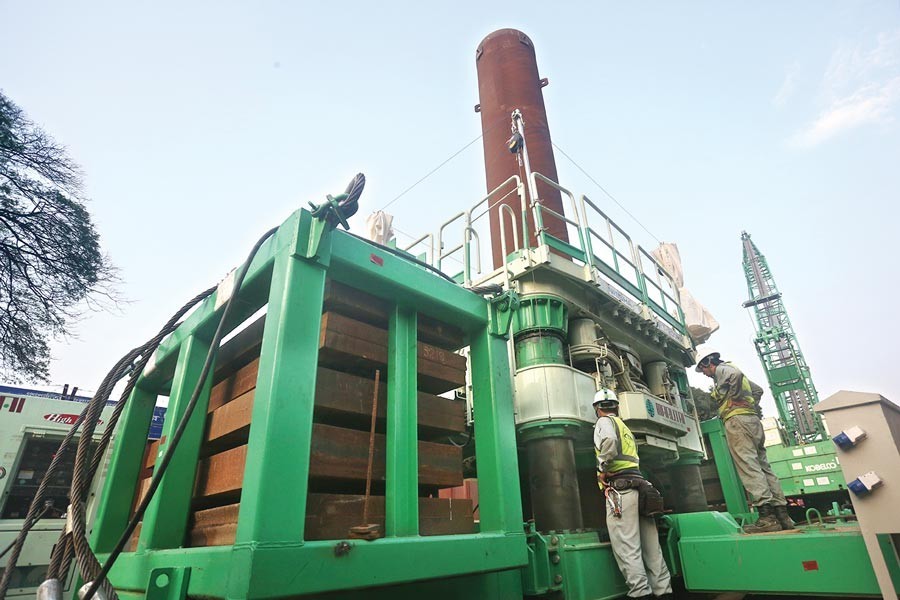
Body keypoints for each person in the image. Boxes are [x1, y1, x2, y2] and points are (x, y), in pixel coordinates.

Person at [696, 349, 793, 532]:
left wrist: (734, 399)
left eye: (703, 370)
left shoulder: (723, 370)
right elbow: (758, 390)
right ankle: (782, 516)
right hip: (752, 420)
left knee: (748, 465)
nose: (705, 374)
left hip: (737, 421)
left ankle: (767, 518)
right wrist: (747, 404)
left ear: (708, 363)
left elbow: (736, 375)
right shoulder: (731, 372)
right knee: (763, 466)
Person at [593, 390, 673, 600]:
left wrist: (602, 467)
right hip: (641, 489)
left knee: (627, 547)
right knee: (652, 549)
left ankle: (640, 594)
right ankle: (663, 592)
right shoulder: (624, 427)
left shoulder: (604, 422)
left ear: (597, 408)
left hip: (622, 491)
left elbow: (609, 441)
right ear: (616, 406)